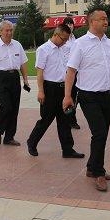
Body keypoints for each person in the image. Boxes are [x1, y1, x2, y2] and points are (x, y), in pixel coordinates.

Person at [63, 9, 110, 192]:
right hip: (88, 96)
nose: (106, 22)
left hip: (106, 95)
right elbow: (71, 71)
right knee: (100, 133)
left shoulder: (109, 43)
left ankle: (91, 167)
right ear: (91, 22)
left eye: (106, 19)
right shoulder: (80, 44)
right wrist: (67, 96)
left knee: (102, 133)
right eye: (102, 19)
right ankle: (98, 172)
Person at [27, 24, 85, 159]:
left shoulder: (67, 48)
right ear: (55, 34)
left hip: (64, 88)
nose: (65, 41)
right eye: (63, 39)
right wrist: (41, 91)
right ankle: (32, 142)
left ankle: (68, 149)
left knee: (65, 119)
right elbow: (40, 72)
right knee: (46, 119)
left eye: (67, 39)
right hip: (49, 89)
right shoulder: (43, 49)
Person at [0, 20, 29, 146]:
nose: (9, 32)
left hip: (14, 77)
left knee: (14, 108)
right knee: (6, 106)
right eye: (7, 30)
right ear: (0, 31)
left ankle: (9, 137)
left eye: (11, 30)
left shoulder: (17, 45)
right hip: (1, 77)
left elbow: (23, 63)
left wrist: (25, 79)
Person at [61, 16, 81, 130]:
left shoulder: (75, 39)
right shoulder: (63, 39)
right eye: (67, 24)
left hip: (76, 72)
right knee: (67, 96)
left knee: (74, 96)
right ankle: (67, 119)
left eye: (71, 24)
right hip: (66, 72)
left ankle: (71, 118)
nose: (70, 26)